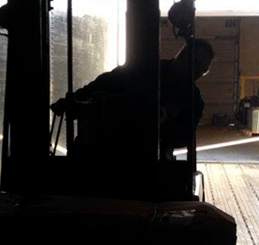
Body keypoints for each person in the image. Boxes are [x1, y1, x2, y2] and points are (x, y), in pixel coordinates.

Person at [51, 38, 214, 160]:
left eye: (204, 70)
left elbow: (185, 136)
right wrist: (70, 101)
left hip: (151, 160)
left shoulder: (193, 98)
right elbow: (103, 83)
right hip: (110, 149)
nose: (198, 72)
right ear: (181, 56)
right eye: (197, 64)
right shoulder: (143, 69)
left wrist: (165, 123)